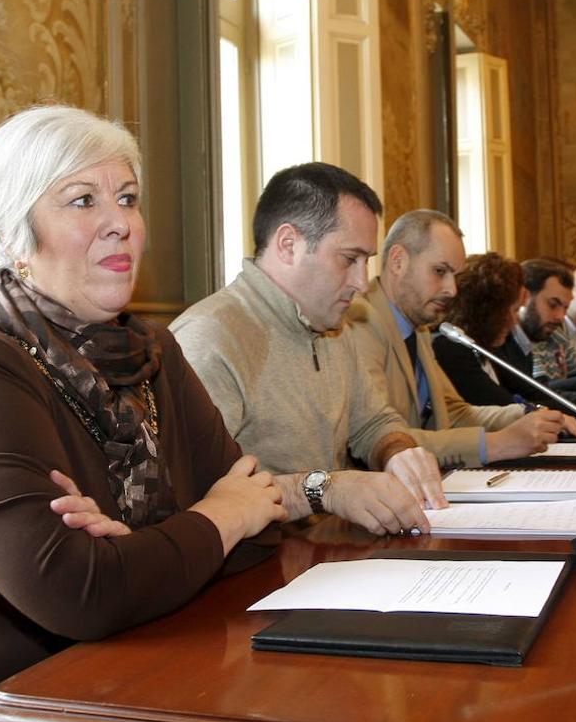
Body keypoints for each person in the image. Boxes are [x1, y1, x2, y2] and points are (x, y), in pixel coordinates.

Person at [0, 106, 290, 722]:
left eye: (127, 197)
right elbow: (82, 594)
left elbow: (262, 528)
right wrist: (216, 516)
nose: (120, 223)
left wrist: (143, 549)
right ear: (15, 237)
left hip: (107, 685)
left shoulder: (155, 352)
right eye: (82, 201)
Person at [170, 163, 445, 535]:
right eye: (350, 259)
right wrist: (324, 490)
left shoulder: (334, 324)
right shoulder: (209, 339)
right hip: (251, 575)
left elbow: (374, 423)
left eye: (367, 263)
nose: (363, 283)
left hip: (323, 556)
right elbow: (203, 491)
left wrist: (398, 451)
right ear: (289, 245)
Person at [344, 210, 572, 465]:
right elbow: (380, 438)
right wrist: (497, 444)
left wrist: (531, 415)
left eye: (455, 275)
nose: (452, 290)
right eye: (440, 271)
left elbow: (452, 412)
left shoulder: (417, 326)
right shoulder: (360, 321)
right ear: (398, 261)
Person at [431, 255, 576, 433]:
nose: (514, 321)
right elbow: (505, 407)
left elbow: (533, 392)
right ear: (488, 311)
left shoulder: (489, 347)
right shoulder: (452, 348)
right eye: (512, 311)